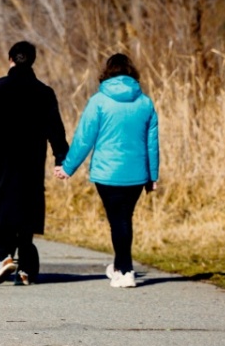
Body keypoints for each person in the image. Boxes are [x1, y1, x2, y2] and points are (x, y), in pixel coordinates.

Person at [54, 53, 159, 288]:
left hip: (107, 172)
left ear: (107, 73)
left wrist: (67, 167)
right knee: (124, 219)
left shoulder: (98, 101)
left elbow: (84, 138)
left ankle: (127, 270)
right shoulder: (145, 102)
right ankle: (119, 267)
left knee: (117, 221)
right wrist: (153, 177)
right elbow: (152, 143)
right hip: (137, 173)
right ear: (131, 73)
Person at [0, 41, 68, 285]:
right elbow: (55, 128)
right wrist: (61, 157)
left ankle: (4, 257)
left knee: (1, 206)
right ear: (33, 61)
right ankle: (25, 268)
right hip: (31, 159)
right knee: (26, 209)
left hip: (2, 158)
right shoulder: (44, 92)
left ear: (10, 59)